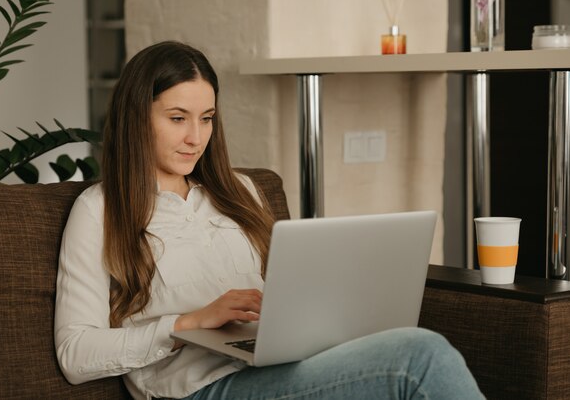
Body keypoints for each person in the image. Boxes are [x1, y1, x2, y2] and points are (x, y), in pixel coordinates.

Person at [54, 40, 484, 400]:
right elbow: (75, 354)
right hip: (200, 388)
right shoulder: (100, 209)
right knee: (419, 357)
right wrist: (187, 324)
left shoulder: (238, 190)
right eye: (177, 119)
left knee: (409, 349)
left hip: (275, 365)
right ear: (136, 117)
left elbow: (280, 295)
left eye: (206, 119)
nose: (195, 138)